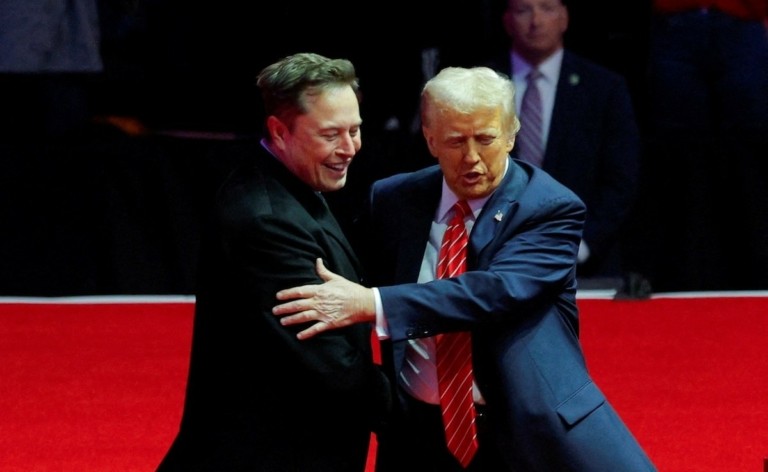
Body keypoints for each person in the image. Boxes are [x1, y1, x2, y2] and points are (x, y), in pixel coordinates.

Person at [273, 66, 656, 471]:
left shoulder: (549, 208)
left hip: (519, 432)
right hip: (415, 433)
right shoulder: (393, 200)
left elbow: (494, 292)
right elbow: (347, 274)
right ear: (430, 139)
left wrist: (373, 303)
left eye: (485, 139)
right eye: (455, 141)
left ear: (511, 134)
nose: (471, 157)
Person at [156, 52, 391, 472]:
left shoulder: (288, 183)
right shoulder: (266, 220)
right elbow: (330, 364)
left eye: (355, 130)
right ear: (280, 131)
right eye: (331, 134)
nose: (350, 148)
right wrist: (431, 406)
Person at [484, 0, 642, 285]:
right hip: (493, 262)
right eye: (523, 10)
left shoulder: (604, 88)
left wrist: (584, 244)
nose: (536, 21)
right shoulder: (480, 88)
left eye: (547, 8)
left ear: (564, 17)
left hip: (587, 266)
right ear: (507, 21)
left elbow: (621, 180)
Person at [643, 0, 768, 291]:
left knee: (748, 152)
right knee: (678, 155)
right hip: (674, 21)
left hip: (743, 21)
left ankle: (755, 271)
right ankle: (680, 271)